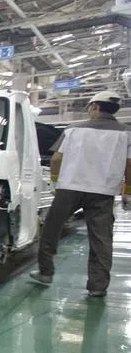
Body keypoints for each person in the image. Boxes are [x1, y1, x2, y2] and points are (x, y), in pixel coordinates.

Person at [30, 90, 131, 297]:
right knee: (101, 239)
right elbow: (129, 165)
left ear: (95, 107)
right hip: (103, 192)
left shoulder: (74, 129)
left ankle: (45, 272)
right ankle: (97, 287)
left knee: (51, 230)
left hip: (69, 188)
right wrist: (128, 191)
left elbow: (57, 159)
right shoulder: (126, 133)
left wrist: (56, 181)